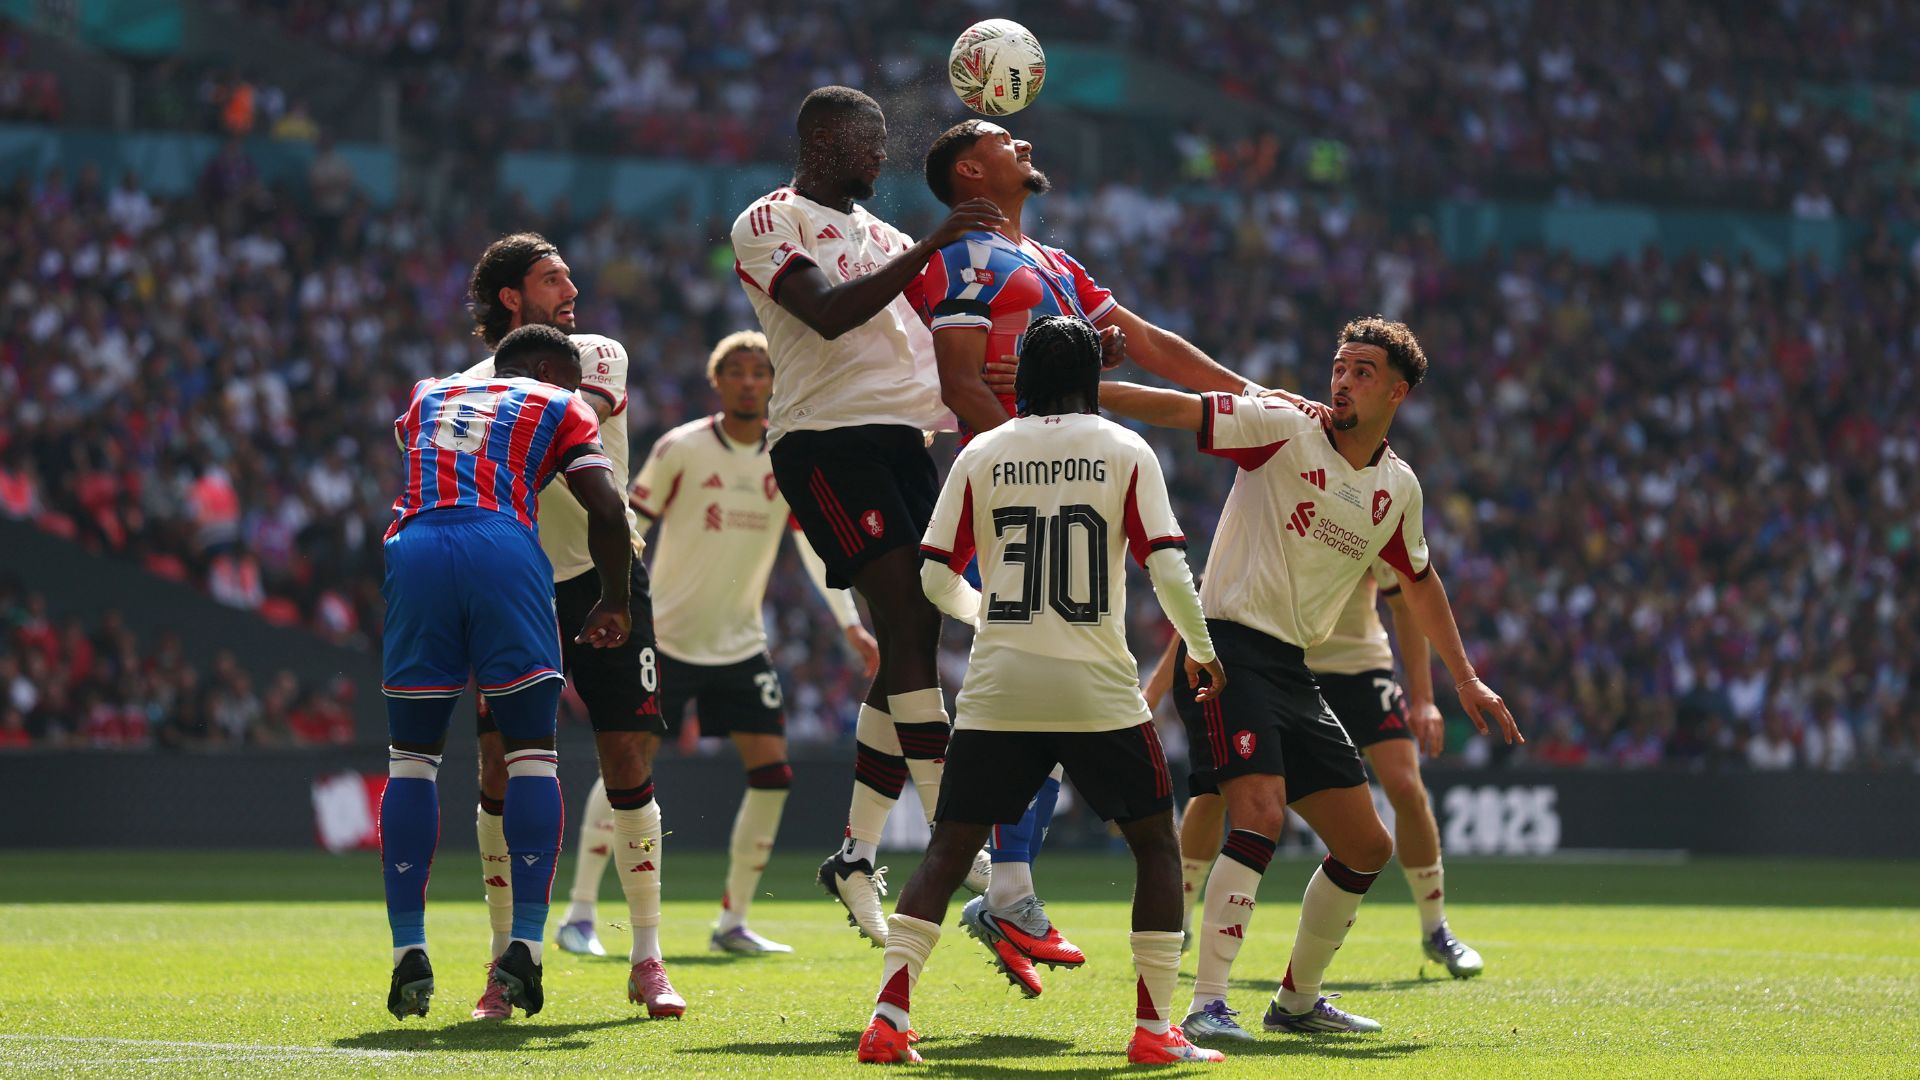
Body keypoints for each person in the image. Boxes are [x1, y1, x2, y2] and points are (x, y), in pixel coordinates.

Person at [915, 117, 1305, 994]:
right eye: (1002, 140)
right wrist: (1030, 459)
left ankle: (1007, 890)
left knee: (1060, 701)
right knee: (1048, 690)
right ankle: (992, 886)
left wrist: (1252, 398)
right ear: (970, 168)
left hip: (1068, 487)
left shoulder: (1053, 263)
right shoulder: (965, 259)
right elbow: (961, 383)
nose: (1025, 145)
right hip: (1022, 503)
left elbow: (1152, 341)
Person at [1100, 316, 1522, 1041]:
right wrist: (1079, 391)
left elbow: (1420, 585)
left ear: (1398, 392)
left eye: (1362, 372)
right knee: (1254, 811)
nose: (1342, 381)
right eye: (1339, 366)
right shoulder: (1283, 424)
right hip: (1225, 649)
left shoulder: (1397, 488)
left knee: (1367, 847)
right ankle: (1206, 1005)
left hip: (1294, 669)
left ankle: (1295, 1002)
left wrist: (1466, 680)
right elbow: (1180, 408)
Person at [855, 316, 1227, 1066]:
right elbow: (1167, 569)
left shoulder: (983, 451)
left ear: (1021, 377)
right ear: (1090, 379)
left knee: (948, 851)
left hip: (1001, 686)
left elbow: (933, 577)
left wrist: (984, 612)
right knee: (1156, 845)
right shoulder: (1125, 449)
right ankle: (1155, 1032)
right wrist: (1203, 649)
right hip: (1095, 685)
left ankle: (889, 1018)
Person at [730, 85, 1010, 946]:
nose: (879, 156)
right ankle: (964, 856)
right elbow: (826, 312)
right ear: (819, 141)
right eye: (865, 141)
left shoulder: (885, 237)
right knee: (910, 632)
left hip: (906, 448)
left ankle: (856, 853)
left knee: (914, 640)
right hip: (826, 444)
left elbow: (952, 333)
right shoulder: (768, 220)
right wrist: (933, 241)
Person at [556, 330, 879, 957]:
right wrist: (606, 602)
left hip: (739, 644)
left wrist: (848, 621)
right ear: (717, 380)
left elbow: (814, 548)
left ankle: (733, 921)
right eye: (738, 371)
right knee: (627, 766)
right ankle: (581, 914)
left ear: (773, 381)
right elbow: (626, 523)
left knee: (773, 773)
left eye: (761, 371)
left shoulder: (787, 457)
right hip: (667, 640)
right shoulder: (682, 448)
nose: (751, 381)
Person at [379, 324, 631, 1021]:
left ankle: (407, 948)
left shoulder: (429, 392)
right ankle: (523, 944)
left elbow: (418, 450)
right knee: (530, 758)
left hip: (417, 546)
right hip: (502, 548)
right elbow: (606, 508)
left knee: (411, 764)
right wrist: (616, 598)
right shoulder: (560, 402)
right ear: (550, 368)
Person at [461, 234, 684, 1020]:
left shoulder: (596, 354)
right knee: (498, 769)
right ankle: (504, 961)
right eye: (552, 277)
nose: (572, 286)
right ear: (511, 298)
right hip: (515, 585)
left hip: (606, 575)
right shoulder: (463, 384)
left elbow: (555, 427)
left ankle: (648, 956)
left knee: (626, 752)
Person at [1159, 565, 1485, 979]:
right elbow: (1208, 597)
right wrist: (1153, 690)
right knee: (1213, 793)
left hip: (1362, 669)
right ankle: (1179, 922)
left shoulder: (1374, 508)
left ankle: (1436, 927)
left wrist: (1423, 699)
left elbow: (1407, 603)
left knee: (1404, 787)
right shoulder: (1271, 507)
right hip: (1287, 666)